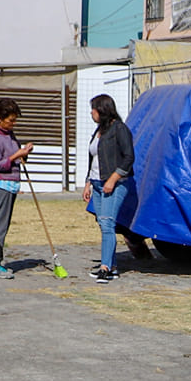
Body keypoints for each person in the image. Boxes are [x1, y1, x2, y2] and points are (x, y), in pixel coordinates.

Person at [0, 98, 32, 279]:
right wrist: (16, 155)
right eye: (11, 120)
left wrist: (23, 153)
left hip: (10, 184)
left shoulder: (8, 133)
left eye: (15, 120)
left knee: (4, 224)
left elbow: (11, 156)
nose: (13, 123)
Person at [86, 94, 134, 283]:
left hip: (113, 184)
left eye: (94, 109)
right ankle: (112, 266)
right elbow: (93, 158)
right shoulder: (99, 130)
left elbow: (129, 157)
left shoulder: (119, 129)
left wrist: (113, 178)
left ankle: (105, 268)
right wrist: (88, 182)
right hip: (97, 183)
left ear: (103, 110)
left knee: (107, 224)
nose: (91, 113)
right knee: (103, 224)